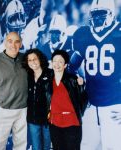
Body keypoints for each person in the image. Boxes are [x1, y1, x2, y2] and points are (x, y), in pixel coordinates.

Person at [70, 0, 121, 149]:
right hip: (91, 104)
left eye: (102, 14)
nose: (98, 18)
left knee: (112, 146)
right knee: (87, 146)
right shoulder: (84, 34)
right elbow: (73, 65)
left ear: (111, 14)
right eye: (95, 14)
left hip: (114, 104)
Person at [48, 50, 86, 150]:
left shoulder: (73, 80)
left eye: (60, 61)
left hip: (71, 122)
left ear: (65, 65)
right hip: (55, 123)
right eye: (55, 61)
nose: (57, 64)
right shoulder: (47, 80)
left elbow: (82, 100)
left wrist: (81, 86)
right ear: (51, 63)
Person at [23, 49, 51, 150]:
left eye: (35, 59)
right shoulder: (27, 76)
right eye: (29, 60)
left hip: (47, 120)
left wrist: (79, 81)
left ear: (40, 59)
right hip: (33, 119)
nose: (32, 62)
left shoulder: (50, 74)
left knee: (46, 147)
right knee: (36, 147)